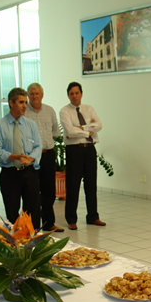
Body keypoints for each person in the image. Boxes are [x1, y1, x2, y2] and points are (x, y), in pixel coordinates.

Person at [0, 87, 42, 227]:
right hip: (10, 174)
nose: (25, 105)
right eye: (21, 102)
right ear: (11, 103)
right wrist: (15, 157)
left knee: (33, 211)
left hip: (29, 173)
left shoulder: (31, 125)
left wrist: (30, 158)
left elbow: (38, 146)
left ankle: (34, 241)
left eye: (25, 102)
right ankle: (16, 242)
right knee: (12, 213)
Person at [59, 82, 106, 229]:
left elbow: (99, 125)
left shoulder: (89, 109)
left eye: (77, 93)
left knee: (91, 184)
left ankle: (93, 216)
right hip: (75, 151)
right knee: (73, 185)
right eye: (71, 93)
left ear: (81, 94)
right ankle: (71, 219)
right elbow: (70, 132)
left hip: (90, 149)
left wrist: (80, 128)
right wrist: (87, 130)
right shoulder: (64, 111)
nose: (74, 96)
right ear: (68, 95)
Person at [25, 82, 63, 232]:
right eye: (32, 94)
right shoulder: (24, 112)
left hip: (48, 155)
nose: (34, 96)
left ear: (42, 95)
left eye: (37, 93)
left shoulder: (49, 110)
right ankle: (30, 225)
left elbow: (55, 132)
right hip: (31, 157)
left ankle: (48, 223)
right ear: (28, 95)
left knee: (49, 191)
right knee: (31, 192)